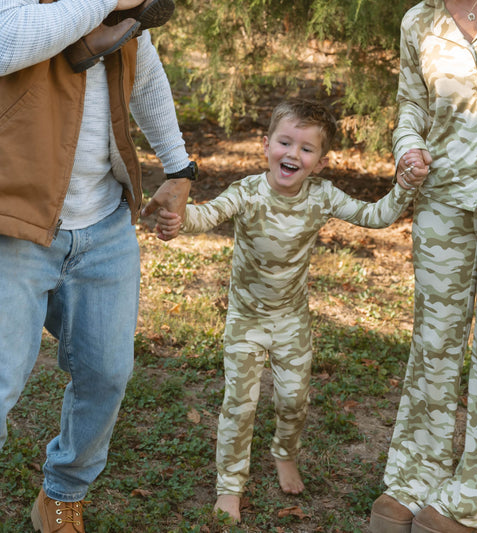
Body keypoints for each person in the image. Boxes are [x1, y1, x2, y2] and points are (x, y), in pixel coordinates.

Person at [156, 99, 426, 523]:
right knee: (239, 405)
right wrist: (177, 220)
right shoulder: (247, 192)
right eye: (285, 142)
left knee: (293, 400)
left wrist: (407, 184)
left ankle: (284, 453)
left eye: (305, 149)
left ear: (319, 163)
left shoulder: (321, 197)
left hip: (291, 321)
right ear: (266, 146)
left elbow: (376, 216)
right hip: (246, 321)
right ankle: (230, 486)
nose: (292, 154)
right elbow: (205, 215)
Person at [0, 1, 196, 531]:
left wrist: (179, 167)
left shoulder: (125, 17)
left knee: (106, 373)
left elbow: (146, 74)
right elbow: (5, 42)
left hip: (104, 221)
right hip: (14, 220)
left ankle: (62, 495)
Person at [369, 1, 477, 532]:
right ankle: (414, 480)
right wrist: (408, 145)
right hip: (442, 203)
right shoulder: (419, 21)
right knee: (433, 343)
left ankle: (475, 499)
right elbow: (411, 103)